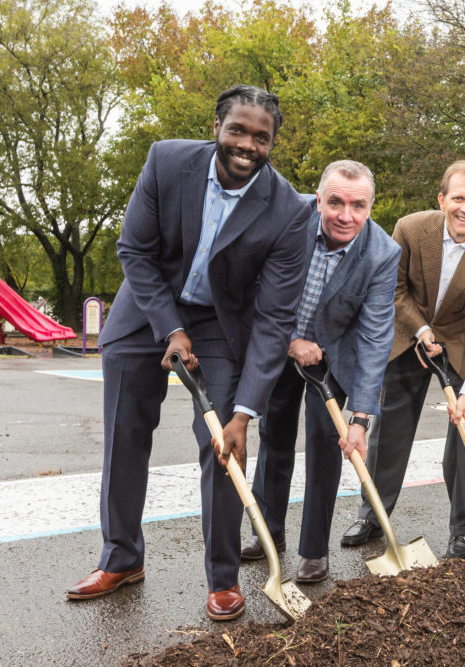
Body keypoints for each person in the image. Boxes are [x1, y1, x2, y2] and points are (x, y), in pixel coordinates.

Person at [66, 85, 311, 621]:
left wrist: (246, 411)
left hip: (221, 326)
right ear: (218, 127)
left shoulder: (291, 212)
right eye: (238, 130)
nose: (247, 144)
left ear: (272, 144)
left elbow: (273, 319)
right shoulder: (167, 160)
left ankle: (223, 578)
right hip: (148, 308)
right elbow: (134, 248)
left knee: (223, 445)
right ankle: (121, 558)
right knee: (124, 436)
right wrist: (170, 328)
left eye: (261, 137)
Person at [339, 160, 465, 560]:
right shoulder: (411, 229)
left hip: (461, 340)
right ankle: (373, 515)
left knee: (464, 432)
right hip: (410, 332)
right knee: (391, 430)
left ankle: (460, 530)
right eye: (457, 198)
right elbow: (394, 290)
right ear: (442, 199)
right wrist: (420, 330)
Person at [241, 160, 400, 584]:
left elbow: (374, 338)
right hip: (280, 341)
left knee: (325, 446)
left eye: (357, 205)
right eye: (335, 203)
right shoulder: (287, 221)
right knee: (274, 436)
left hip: (333, 355)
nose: (345, 215)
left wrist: (361, 418)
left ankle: (313, 550)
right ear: (318, 199)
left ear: (370, 207)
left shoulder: (383, 254)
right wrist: (290, 340)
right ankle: (266, 532)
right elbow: (253, 283)